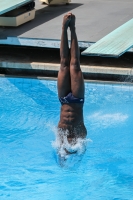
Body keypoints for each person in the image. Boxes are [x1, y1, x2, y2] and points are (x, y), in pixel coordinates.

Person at [57, 13, 87, 155]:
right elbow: (82, 149)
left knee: (64, 64)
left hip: (63, 99)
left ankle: (64, 28)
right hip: (77, 99)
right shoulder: (80, 133)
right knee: (74, 65)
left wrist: (65, 153)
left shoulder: (61, 136)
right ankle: (73, 28)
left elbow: (59, 150)